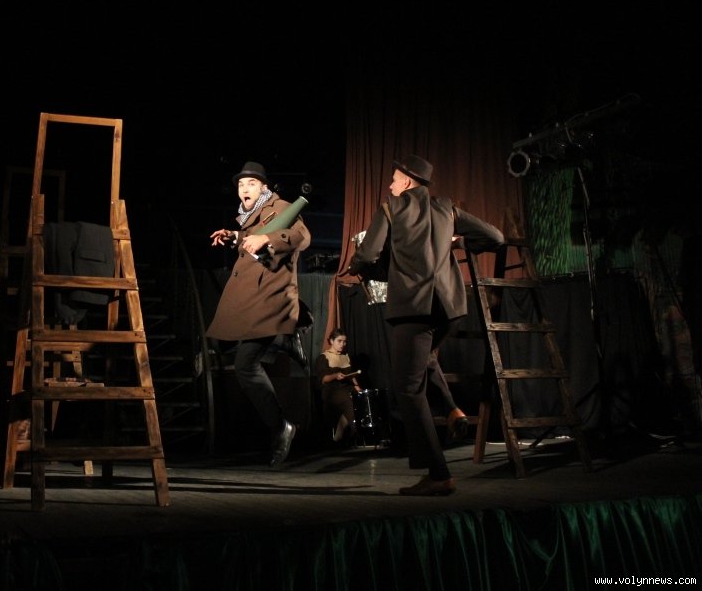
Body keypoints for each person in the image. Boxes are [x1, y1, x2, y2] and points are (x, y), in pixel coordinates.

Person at [348, 154, 503, 496]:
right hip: (450, 308)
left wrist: (357, 267)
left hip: (414, 308)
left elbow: (368, 255)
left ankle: (439, 473)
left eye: (394, 179)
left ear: (406, 181)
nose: (390, 185)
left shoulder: (391, 208)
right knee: (425, 358)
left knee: (407, 388)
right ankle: (452, 409)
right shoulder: (447, 208)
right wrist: (460, 242)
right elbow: (496, 237)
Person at [206, 161, 311, 467]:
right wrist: (235, 236)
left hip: (268, 298)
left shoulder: (281, 207)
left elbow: (302, 237)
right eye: (241, 185)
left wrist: (267, 239)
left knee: (246, 364)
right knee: (225, 347)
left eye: (251, 183)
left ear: (264, 188)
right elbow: (253, 240)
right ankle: (286, 339)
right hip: (254, 298)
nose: (244, 189)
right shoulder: (250, 217)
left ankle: (281, 426)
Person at [315, 328, 364, 443]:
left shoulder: (345, 356)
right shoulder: (323, 357)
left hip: (347, 388)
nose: (342, 344)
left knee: (360, 399)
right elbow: (323, 379)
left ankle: (342, 431)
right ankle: (349, 433)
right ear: (331, 341)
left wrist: (358, 387)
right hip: (333, 390)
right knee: (350, 401)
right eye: (339, 341)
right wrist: (335, 375)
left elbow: (351, 375)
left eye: (344, 341)